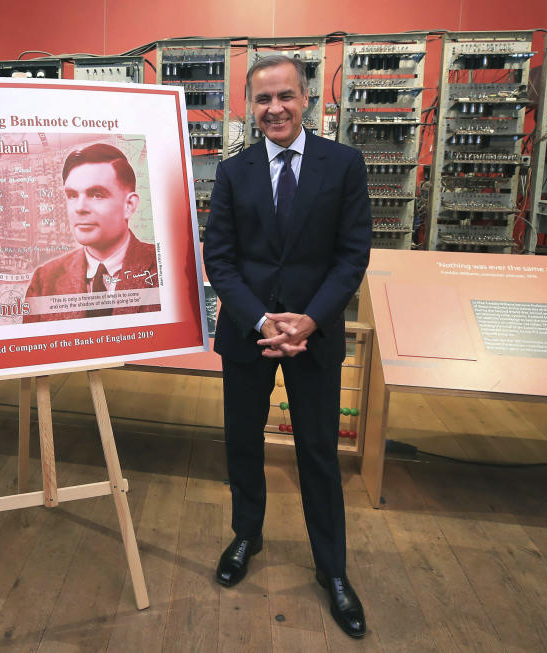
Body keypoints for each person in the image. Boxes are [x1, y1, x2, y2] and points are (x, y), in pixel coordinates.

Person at [203, 55, 372, 638]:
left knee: (319, 456)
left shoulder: (344, 165)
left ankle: (333, 569)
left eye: (285, 97)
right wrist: (261, 321)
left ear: (307, 101)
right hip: (248, 337)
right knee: (243, 445)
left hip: (315, 339)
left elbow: (353, 255)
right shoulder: (233, 171)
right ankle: (245, 534)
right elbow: (219, 260)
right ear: (249, 106)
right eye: (262, 100)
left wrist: (309, 322)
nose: (274, 108)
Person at [23, 143, 159, 322]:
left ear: (129, 206)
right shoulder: (44, 280)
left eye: (97, 195)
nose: (79, 208)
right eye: (72, 195)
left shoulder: (164, 268)